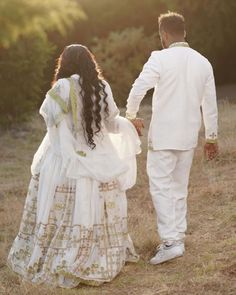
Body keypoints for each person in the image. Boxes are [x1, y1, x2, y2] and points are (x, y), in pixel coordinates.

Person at [7, 44, 140, 287]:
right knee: (97, 205)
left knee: (59, 208)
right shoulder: (101, 86)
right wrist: (129, 126)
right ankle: (99, 255)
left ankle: (63, 255)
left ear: (65, 63)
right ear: (90, 62)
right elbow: (111, 123)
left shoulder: (61, 88)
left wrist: (72, 156)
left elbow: (56, 128)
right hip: (99, 154)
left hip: (63, 157)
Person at [126, 12, 218, 264]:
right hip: (189, 135)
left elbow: (138, 88)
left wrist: (131, 115)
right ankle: (177, 235)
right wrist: (211, 137)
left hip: (165, 135)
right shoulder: (203, 62)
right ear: (184, 32)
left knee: (160, 186)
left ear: (163, 35)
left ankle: (170, 241)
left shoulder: (159, 58)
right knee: (178, 187)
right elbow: (209, 103)